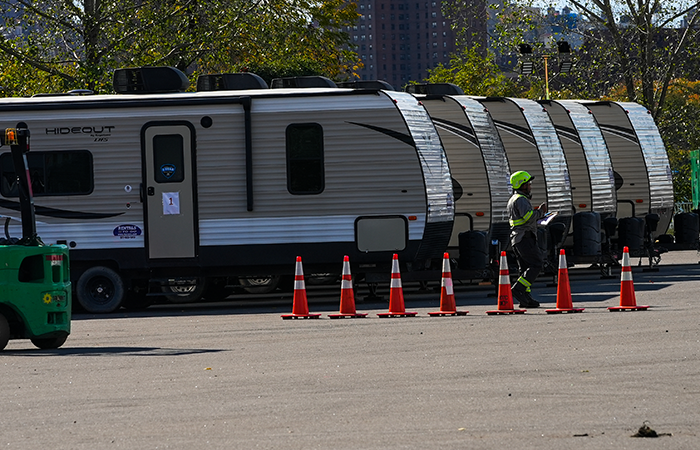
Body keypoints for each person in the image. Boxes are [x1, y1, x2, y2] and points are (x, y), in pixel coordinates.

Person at [508, 170, 547, 308]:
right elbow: (528, 218)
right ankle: (518, 289)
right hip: (524, 238)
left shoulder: (515, 199)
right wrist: (541, 212)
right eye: (528, 184)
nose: (530, 186)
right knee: (536, 264)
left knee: (524, 268)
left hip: (518, 238)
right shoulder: (520, 199)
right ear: (521, 185)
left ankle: (525, 298)